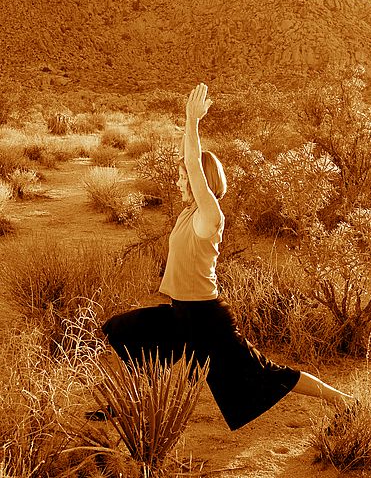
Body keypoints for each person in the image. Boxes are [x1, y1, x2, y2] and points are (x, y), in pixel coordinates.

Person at [101, 82, 356, 431]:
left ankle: (344, 400)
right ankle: (127, 403)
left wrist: (192, 122)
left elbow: (193, 162)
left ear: (198, 180)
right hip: (180, 313)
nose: (178, 183)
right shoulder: (188, 213)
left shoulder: (210, 214)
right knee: (124, 330)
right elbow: (189, 167)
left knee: (267, 373)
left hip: (206, 320)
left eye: (182, 178)